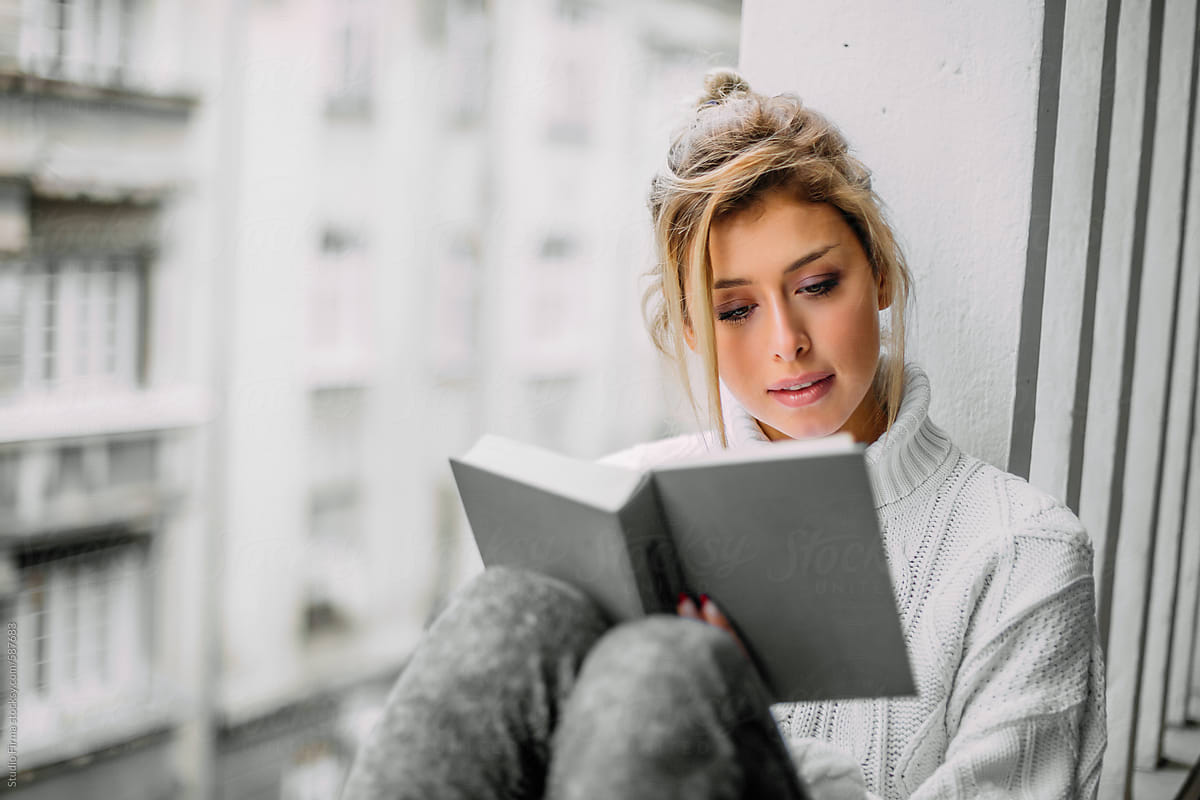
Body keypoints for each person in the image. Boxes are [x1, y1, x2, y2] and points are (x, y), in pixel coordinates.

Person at [340, 69, 1107, 800]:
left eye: (815, 287)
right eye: (736, 309)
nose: (786, 342)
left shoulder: (1021, 551)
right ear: (693, 331)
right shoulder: (629, 498)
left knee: (670, 665)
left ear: (879, 274)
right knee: (510, 607)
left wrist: (732, 716)